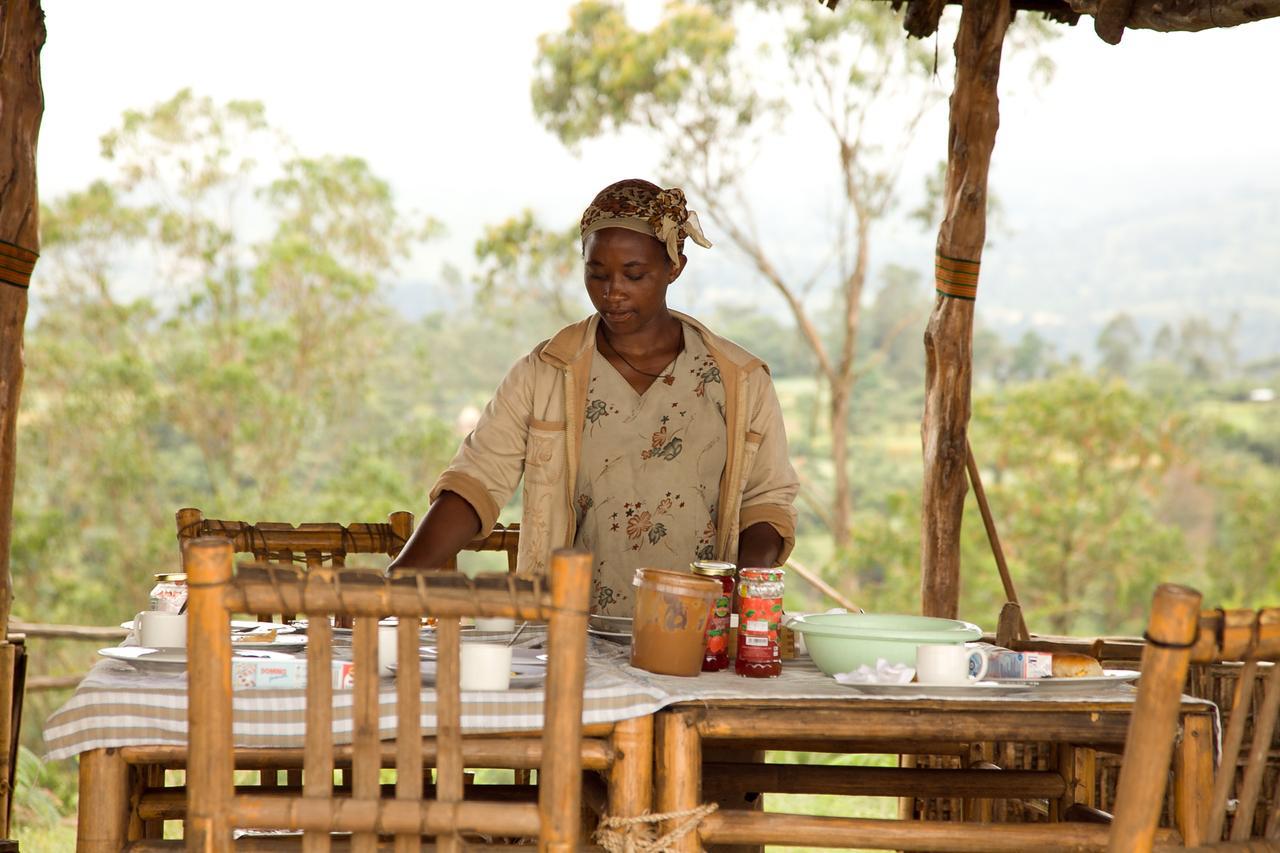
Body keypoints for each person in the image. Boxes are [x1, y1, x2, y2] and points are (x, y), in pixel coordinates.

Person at [389, 179, 798, 616]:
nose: (612, 291)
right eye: (597, 274)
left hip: (698, 637)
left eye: (634, 275)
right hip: (569, 633)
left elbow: (766, 502)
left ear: (675, 266)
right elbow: (475, 483)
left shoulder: (739, 380)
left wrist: (742, 596)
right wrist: (394, 583)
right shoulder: (546, 373)